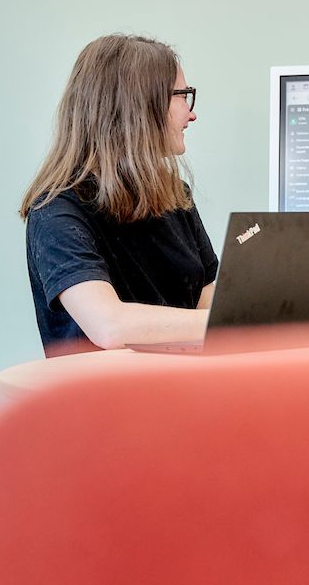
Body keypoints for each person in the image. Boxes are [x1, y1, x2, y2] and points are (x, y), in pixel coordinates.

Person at [21, 34, 216, 355]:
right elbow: (109, 325)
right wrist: (232, 322)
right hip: (105, 402)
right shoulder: (56, 209)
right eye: (183, 96)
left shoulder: (175, 195)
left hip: (184, 392)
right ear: (140, 106)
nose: (191, 113)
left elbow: (206, 301)